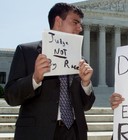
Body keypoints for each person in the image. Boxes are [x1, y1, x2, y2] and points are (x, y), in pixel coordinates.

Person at [4, 3, 95, 140]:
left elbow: (86, 106)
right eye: (75, 22)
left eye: (80, 24)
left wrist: (86, 84)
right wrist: (34, 79)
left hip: (74, 133)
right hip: (37, 133)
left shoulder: (81, 61)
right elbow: (11, 96)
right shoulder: (27, 52)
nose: (80, 28)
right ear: (58, 21)